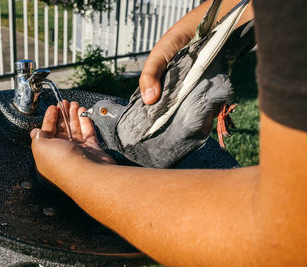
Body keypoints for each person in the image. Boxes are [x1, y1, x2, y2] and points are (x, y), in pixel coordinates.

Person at [30, 0, 307, 265]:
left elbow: (280, 229)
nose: (94, 114)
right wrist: (182, 34)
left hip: (195, 79)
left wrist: (80, 175)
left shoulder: (127, 133)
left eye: (102, 112)